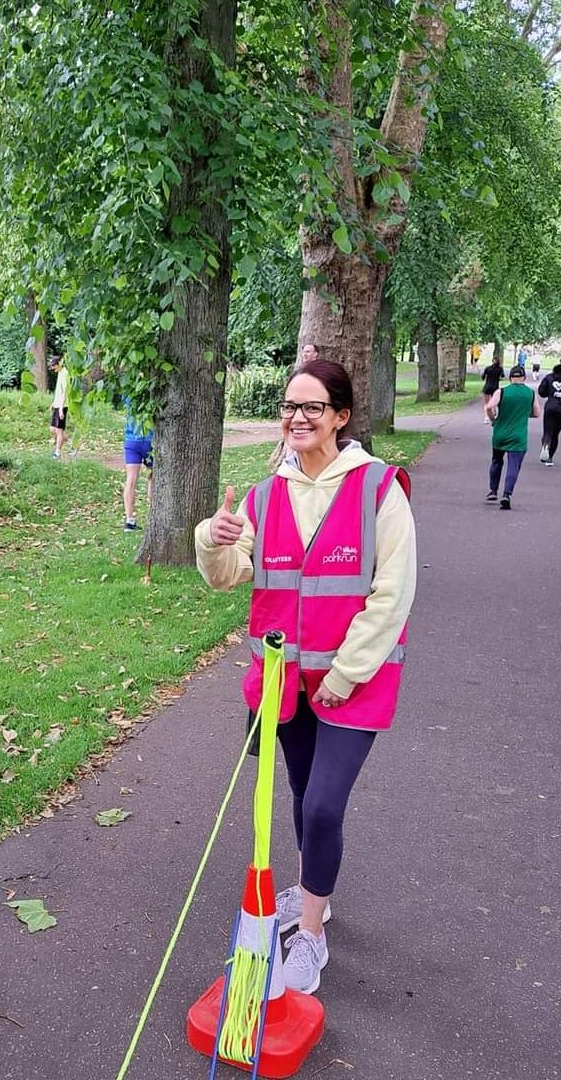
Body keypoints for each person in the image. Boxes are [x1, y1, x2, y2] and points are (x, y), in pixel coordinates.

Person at [194, 359, 416, 995]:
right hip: (284, 683)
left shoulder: (378, 489)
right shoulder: (266, 495)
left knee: (322, 805)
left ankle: (311, 933)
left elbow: (393, 591)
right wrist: (215, 536)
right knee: (298, 795)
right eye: (289, 406)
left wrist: (345, 676)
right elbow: (229, 573)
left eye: (312, 407)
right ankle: (312, 889)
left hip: (353, 683)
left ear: (341, 417)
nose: (297, 417)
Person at [485, 365, 539, 509]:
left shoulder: (501, 391)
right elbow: (537, 413)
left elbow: (489, 407)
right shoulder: (530, 393)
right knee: (513, 465)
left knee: (496, 461)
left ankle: (493, 490)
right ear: (524, 378)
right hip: (518, 436)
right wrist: (523, 413)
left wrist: (493, 420)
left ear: (510, 378)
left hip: (500, 433)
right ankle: (506, 495)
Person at [537, 357, 561, 465]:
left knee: (547, 431)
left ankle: (545, 445)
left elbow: (542, 392)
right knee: (556, 433)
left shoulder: (550, 376)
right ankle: (549, 458)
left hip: (550, 406)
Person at [122, 404, 154, 531]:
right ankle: (154, 515)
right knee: (153, 476)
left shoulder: (129, 393)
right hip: (150, 441)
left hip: (132, 440)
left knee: (131, 479)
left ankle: (129, 521)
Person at [49, 355, 70, 458]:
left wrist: (61, 409)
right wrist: (53, 403)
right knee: (52, 429)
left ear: (59, 364)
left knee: (59, 430)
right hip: (57, 405)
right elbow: (59, 390)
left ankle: (57, 453)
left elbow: (65, 392)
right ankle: (70, 442)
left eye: (54, 366)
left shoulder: (65, 373)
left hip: (63, 406)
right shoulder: (60, 373)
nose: (53, 368)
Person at [480, 354, 504, 420]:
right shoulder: (500, 369)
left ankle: (486, 417)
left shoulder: (487, 368)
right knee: (494, 402)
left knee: (486, 403)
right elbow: (502, 376)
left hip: (487, 387)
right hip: (495, 388)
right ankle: (494, 413)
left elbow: (483, 377)